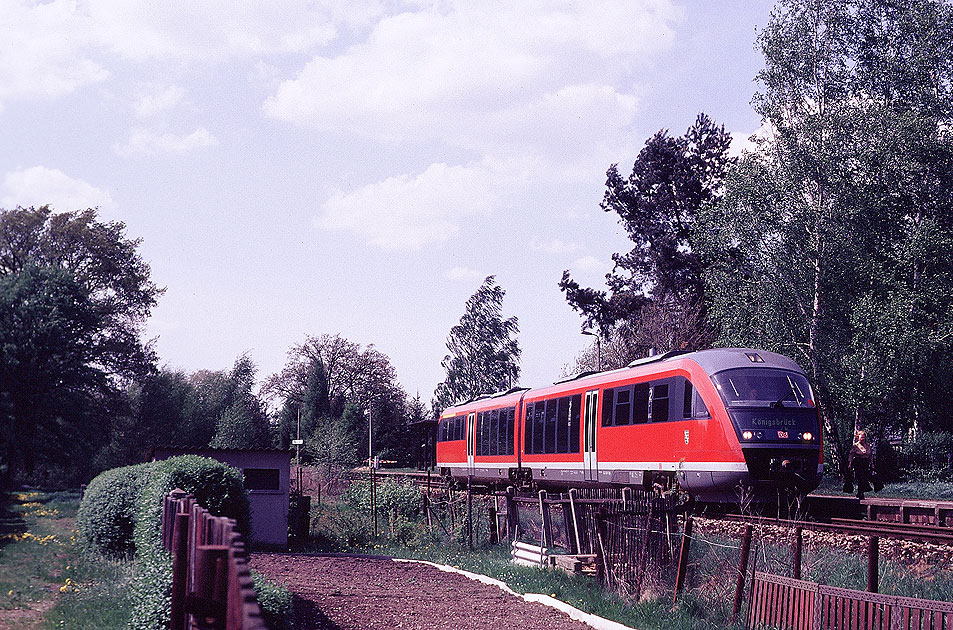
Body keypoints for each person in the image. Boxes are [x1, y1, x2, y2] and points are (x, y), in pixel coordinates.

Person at [849, 430, 873, 500]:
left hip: (865, 463)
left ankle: (860, 492)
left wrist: (872, 463)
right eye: (861, 437)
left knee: (864, 477)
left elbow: (870, 455)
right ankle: (861, 493)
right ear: (858, 437)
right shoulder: (855, 446)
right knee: (861, 477)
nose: (863, 439)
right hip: (858, 462)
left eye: (864, 437)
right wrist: (850, 463)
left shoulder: (868, 446)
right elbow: (851, 455)